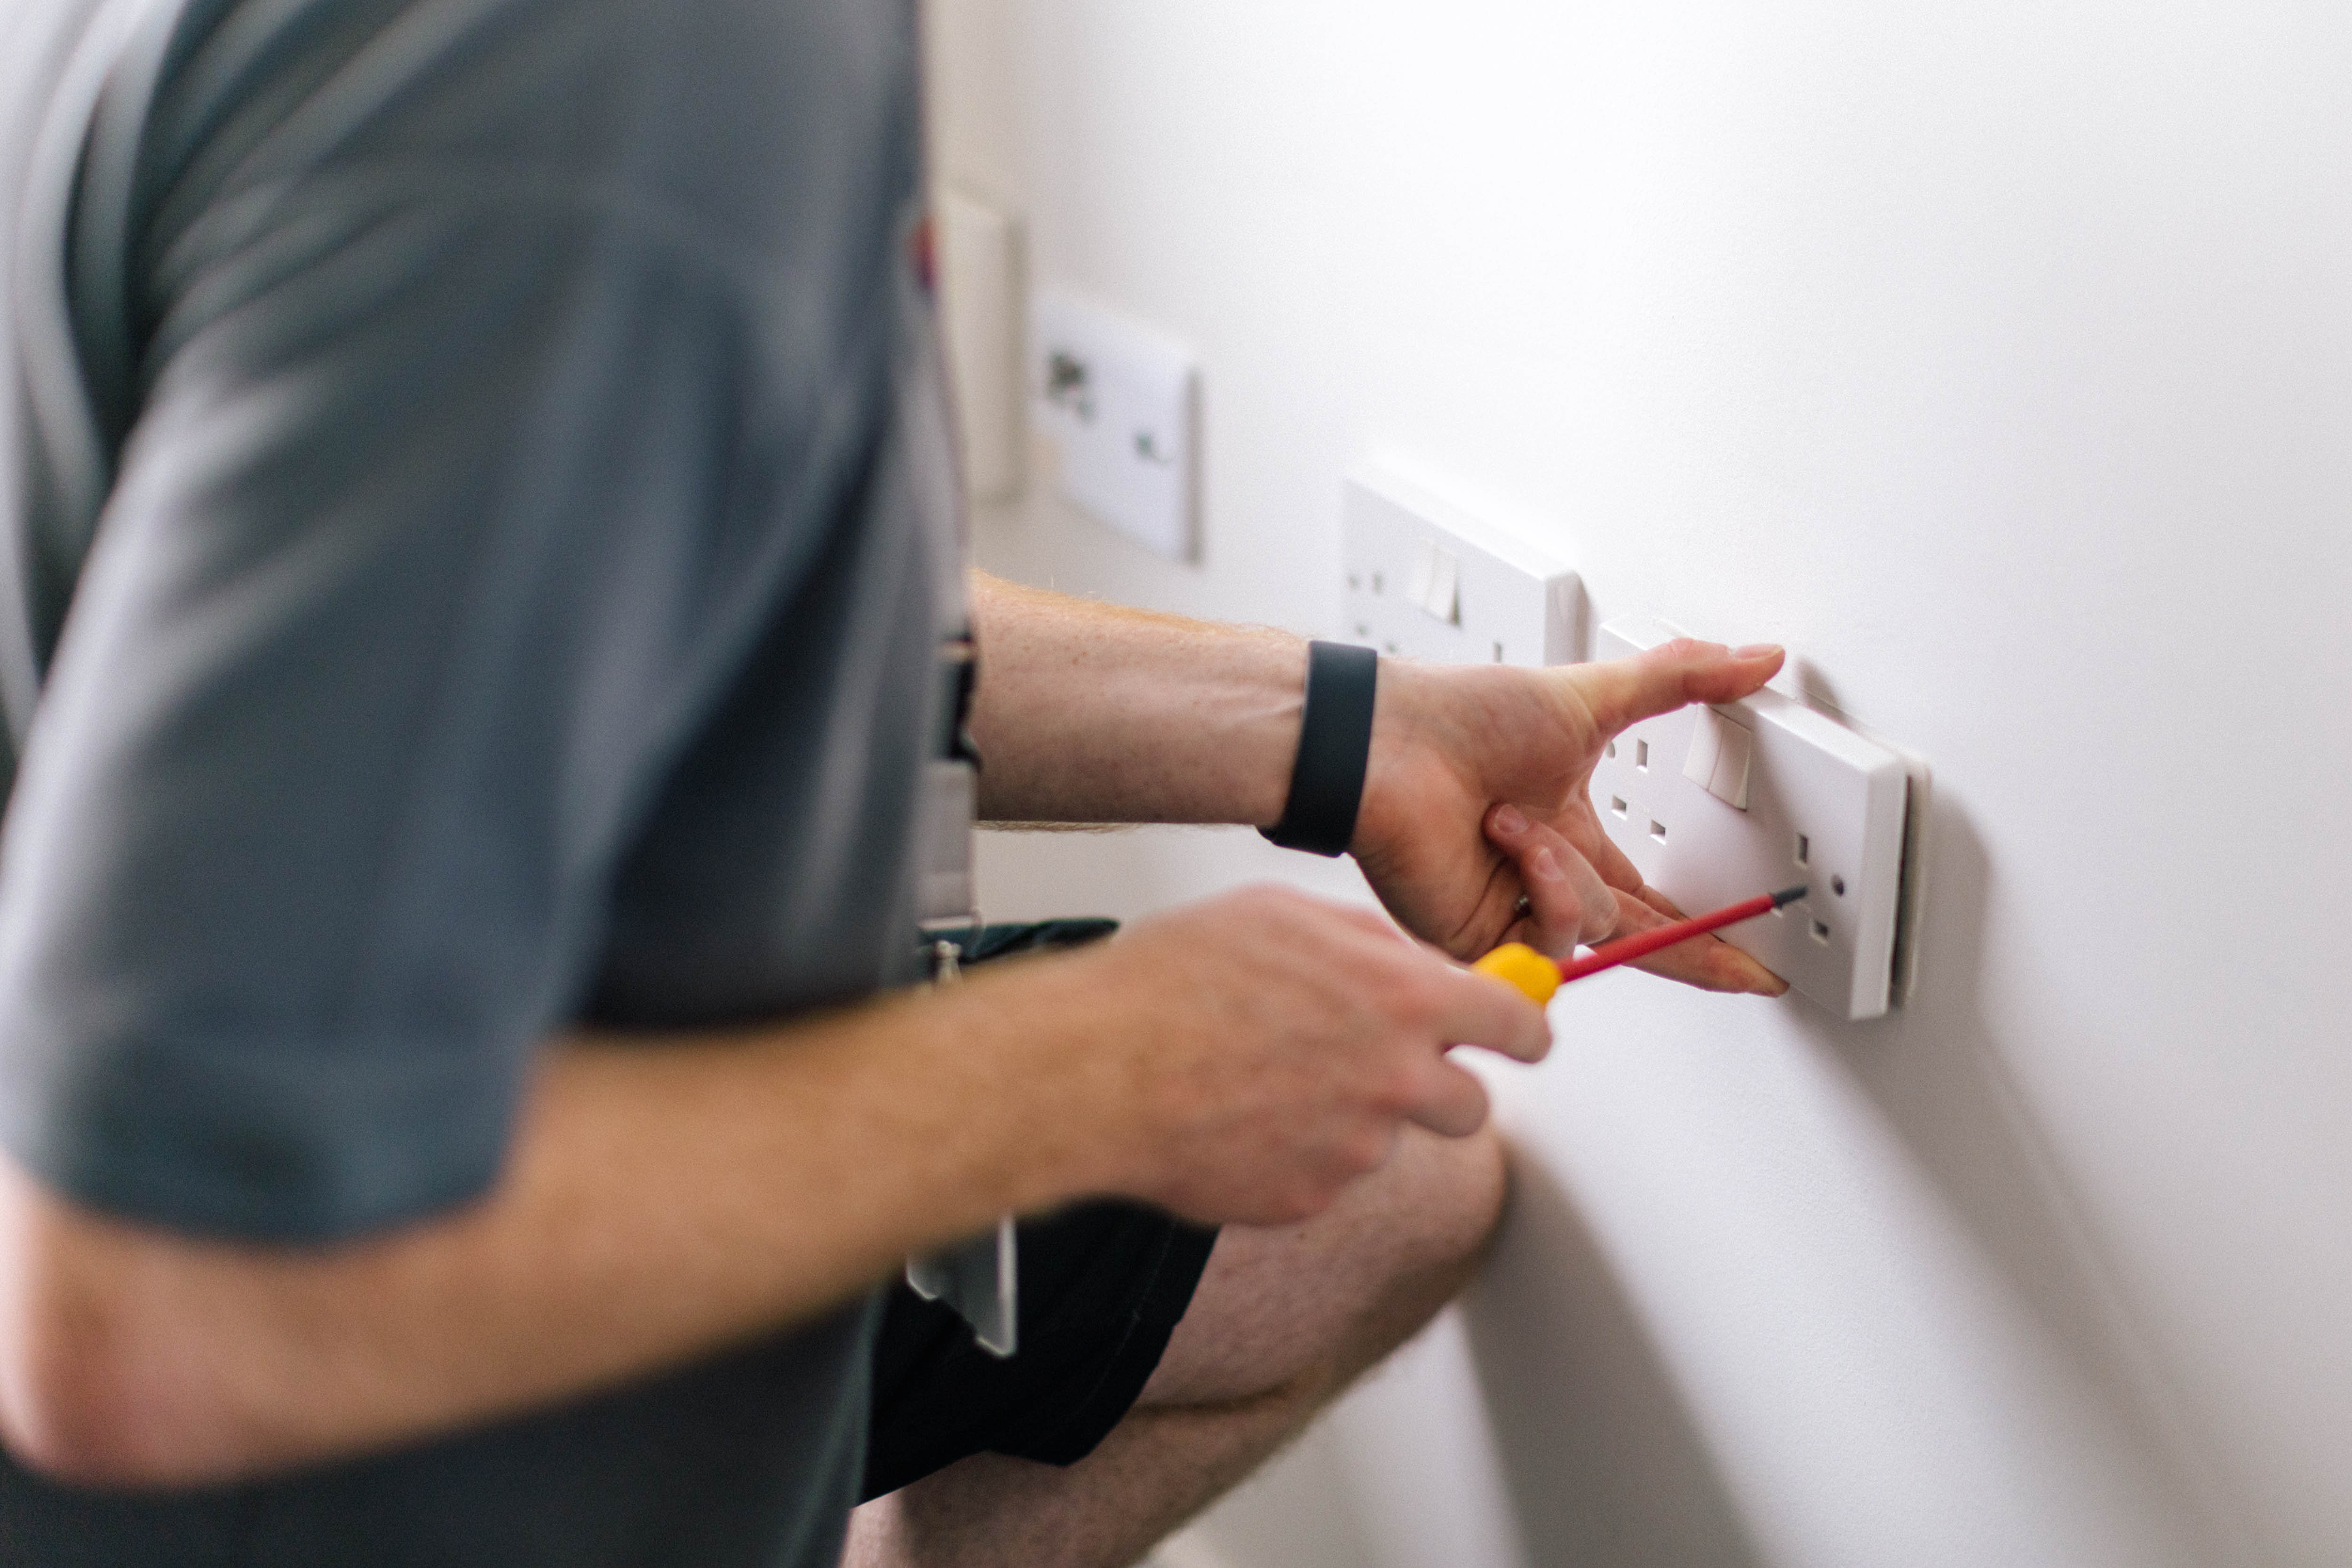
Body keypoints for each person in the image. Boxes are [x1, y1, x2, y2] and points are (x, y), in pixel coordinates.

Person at [0, 0, 1787, 1563]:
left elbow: (632, 563)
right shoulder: (605, 71)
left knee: (1373, 1200)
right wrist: (1085, 1075)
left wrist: (1345, 735)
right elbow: (158, 1297)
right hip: (300, 1430)